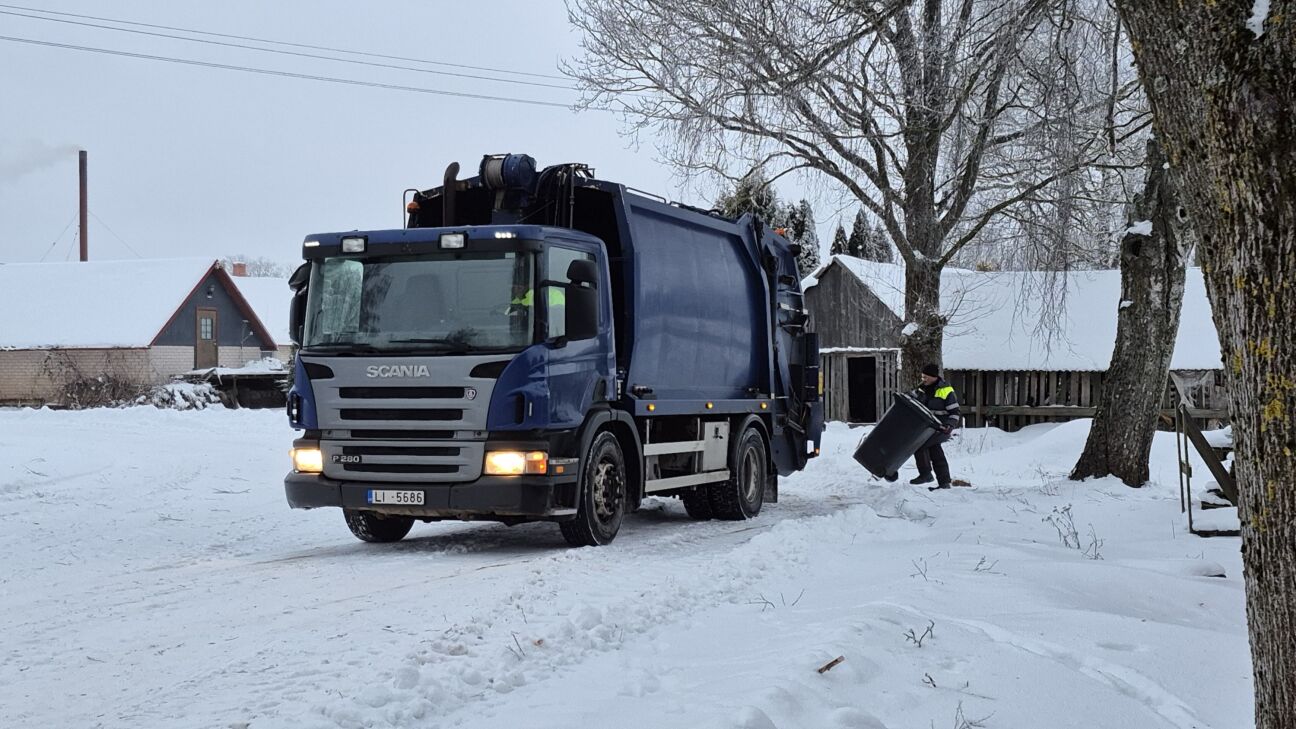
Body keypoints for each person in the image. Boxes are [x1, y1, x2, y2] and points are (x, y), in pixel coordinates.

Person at [909, 363, 962, 489]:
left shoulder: (946, 390)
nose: (923, 379)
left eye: (926, 377)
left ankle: (926, 474)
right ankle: (944, 483)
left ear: (934, 377)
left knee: (919, 444)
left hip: (941, 428)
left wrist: (949, 425)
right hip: (927, 428)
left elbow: (955, 412)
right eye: (922, 377)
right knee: (935, 451)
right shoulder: (921, 389)